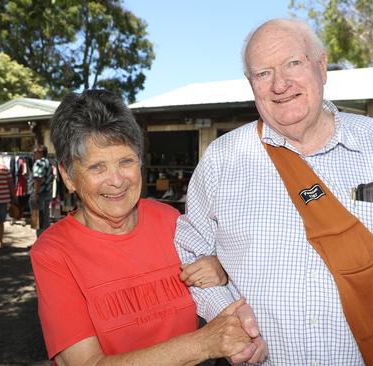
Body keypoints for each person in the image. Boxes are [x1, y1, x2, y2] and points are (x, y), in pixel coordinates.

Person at [175, 18, 373, 365]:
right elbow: (190, 253)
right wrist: (227, 316)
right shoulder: (223, 160)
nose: (280, 84)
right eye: (263, 73)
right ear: (251, 83)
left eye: (293, 63)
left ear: (322, 67)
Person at [30, 89, 262, 366]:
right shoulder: (54, 252)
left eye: (126, 161)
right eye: (97, 167)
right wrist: (203, 343)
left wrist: (221, 267)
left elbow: (226, 286)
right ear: (68, 177)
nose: (116, 180)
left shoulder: (169, 219)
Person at [28, 144, 54, 237]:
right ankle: (45, 242)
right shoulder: (48, 162)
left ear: (41, 153)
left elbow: (38, 179)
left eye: (35, 152)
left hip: (39, 194)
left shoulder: (39, 163)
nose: (33, 154)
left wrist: (35, 195)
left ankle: (39, 243)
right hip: (46, 193)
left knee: (37, 220)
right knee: (45, 219)